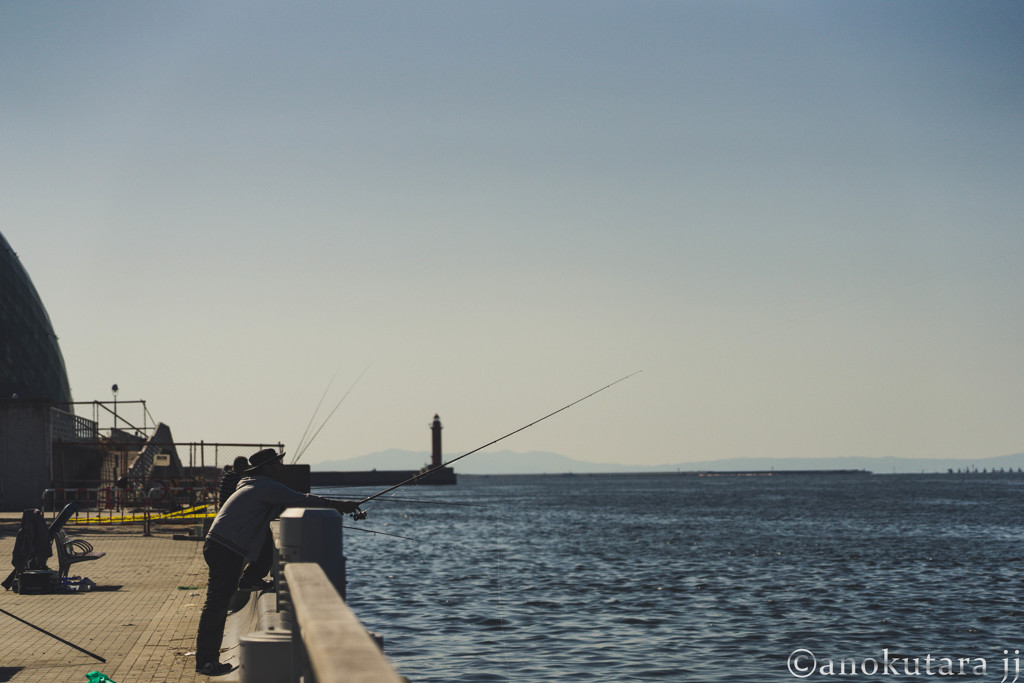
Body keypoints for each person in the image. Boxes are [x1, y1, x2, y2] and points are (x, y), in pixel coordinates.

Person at [194, 448, 360, 676]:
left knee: (218, 602)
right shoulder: (265, 486)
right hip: (226, 549)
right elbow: (301, 499)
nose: (282, 468)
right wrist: (340, 505)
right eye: (278, 464)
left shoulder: (253, 484)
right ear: (267, 467)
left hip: (220, 545)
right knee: (217, 605)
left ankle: (250, 580)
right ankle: (206, 662)